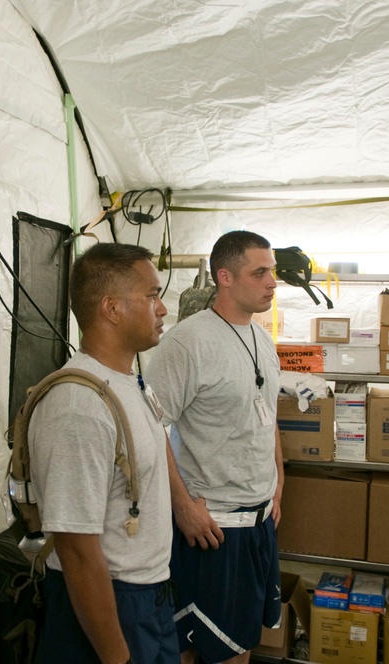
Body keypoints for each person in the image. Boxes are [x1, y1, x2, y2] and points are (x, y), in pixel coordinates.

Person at [29, 242, 177, 664]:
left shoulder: (129, 383)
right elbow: (75, 548)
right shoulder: (79, 405)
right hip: (109, 603)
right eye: (152, 295)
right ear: (111, 308)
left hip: (149, 596)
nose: (162, 308)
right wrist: (117, 657)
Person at [144, 230, 284, 664]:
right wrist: (183, 506)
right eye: (259, 272)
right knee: (197, 650)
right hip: (213, 527)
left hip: (258, 522)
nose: (272, 282)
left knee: (241, 645)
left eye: (272, 270)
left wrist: (278, 484)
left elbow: (268, 415)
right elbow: (149, 428)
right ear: (224, 276)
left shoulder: (261, 338)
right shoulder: (188, 343)